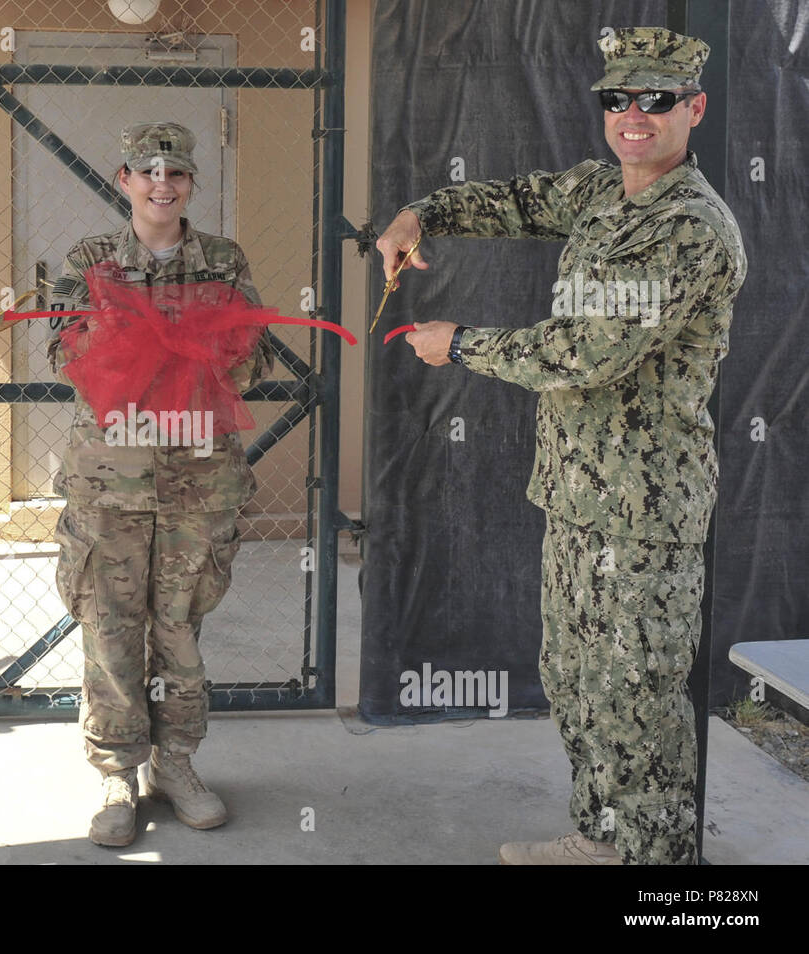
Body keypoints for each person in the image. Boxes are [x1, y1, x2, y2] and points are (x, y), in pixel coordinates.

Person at [376, 28, 745, 864]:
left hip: (643, 513)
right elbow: (515, 199)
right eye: (617, 99)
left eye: (655, 99)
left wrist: (459, 343)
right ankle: (603, 841)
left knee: (637, 699)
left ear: (694, 107)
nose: (633, 116)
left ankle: (662, 874)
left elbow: (589, 351)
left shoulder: (688, 229)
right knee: (581, 687)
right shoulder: (603, 196)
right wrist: (419, 214)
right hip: (579, 495)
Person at [48, 123, 273, 847]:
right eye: (147, 171)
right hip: (111, 481)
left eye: (175, 172)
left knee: (180, 628)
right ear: (124, 179)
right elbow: (64, 352)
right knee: (111, 627)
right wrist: (142, 344)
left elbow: (254, 355)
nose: (161, 183)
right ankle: (117, 772)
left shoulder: (223, 261)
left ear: (190, 184)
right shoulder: (89, 261)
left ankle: (176, 764)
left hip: (196, 480)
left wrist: (196, 349)